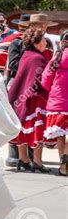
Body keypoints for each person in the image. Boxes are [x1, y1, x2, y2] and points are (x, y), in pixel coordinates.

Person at [8, 26, 51, 173]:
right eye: (44, 39)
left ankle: (24, 159)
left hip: (21, 98)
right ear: (36, 42)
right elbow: (40, 81)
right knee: (37, 129)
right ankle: (37, 162)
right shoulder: (38, 58)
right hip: (34, 100)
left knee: (22, 128)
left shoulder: (26, 55)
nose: (46, 42)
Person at [41, 32, 68, 176]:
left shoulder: (56, 57)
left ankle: (63, 164)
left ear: (62, 42)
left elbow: (45, 81)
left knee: (60, 135)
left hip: (58, 103)